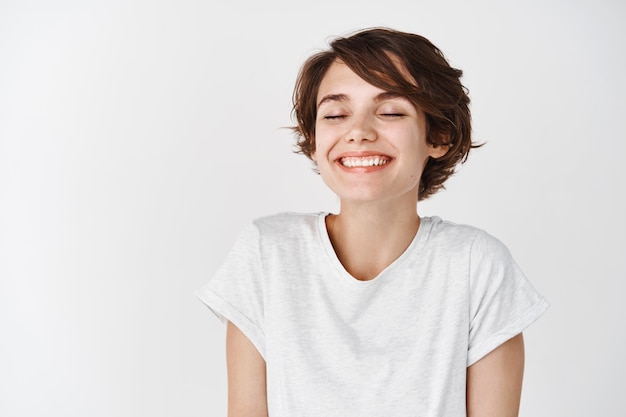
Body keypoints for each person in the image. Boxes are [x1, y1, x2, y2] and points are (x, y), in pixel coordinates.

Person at [197, 27, 549, 417]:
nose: (359, 132)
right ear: (313, 140)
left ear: (439, 135)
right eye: (335, 114)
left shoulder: (476, 265)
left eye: (391, 112)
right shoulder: (267, 252)